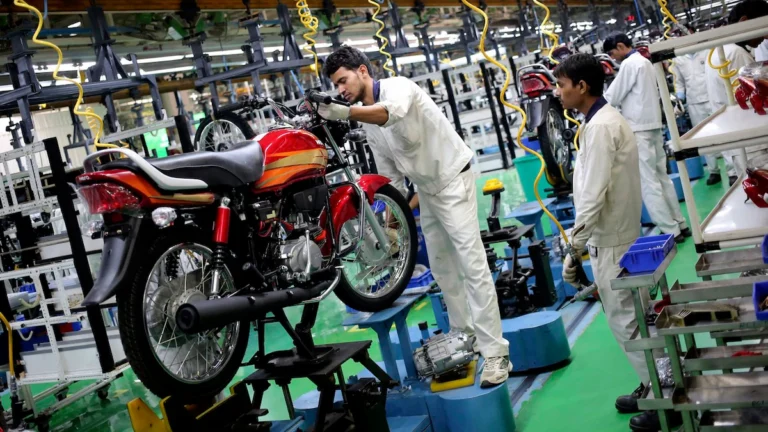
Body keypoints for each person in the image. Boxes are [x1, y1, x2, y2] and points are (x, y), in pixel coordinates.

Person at [319, 46, 511, 387]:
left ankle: (496, 352)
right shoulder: (369, 125)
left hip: (452, 180)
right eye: (335, 85)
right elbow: (392, 181)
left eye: (343, 80)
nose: (341, 89)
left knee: (471, 264)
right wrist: (391, 229)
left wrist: (345, 112)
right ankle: (464, 336)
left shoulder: (398, 88)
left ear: (362, 71)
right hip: (426, 191)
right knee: (442, 266)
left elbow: (388, 114)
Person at [556, 54, 682, 432]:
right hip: (620, 234)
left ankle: (666, 400)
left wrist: (574, 247)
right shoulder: (605, 120)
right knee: (637, 318)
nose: (558, 92)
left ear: (582, 87)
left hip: (611, 240)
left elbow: (593, 195)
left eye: (562, 85)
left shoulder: (600, 128)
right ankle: (653, 383)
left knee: (628, 323)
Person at [603, 33, 691, 244]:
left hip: (638, 129)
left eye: (612, 53)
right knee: (662, 176)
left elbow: (612, 96)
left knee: (648, 182)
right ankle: (680, 223)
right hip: (653, 125)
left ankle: (670, 230)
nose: (612, 58)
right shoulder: (645, 62)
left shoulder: (629, 64)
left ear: (621, 46)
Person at [706, 0, 768, 183]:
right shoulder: (736, 54)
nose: (765, 37)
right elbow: (753, 101)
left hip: (740, 142)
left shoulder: (722, 51)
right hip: (754, 144)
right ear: (744, 21)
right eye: (763, 27)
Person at [672, 33, 734, 185]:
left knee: (723, 134)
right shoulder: (678, 59)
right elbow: (679, 82)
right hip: (694, 102)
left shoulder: (707, 51)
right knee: (702, 138)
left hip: (712, 98)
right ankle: (713, 171)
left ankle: (732, 171)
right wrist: (680, 97)